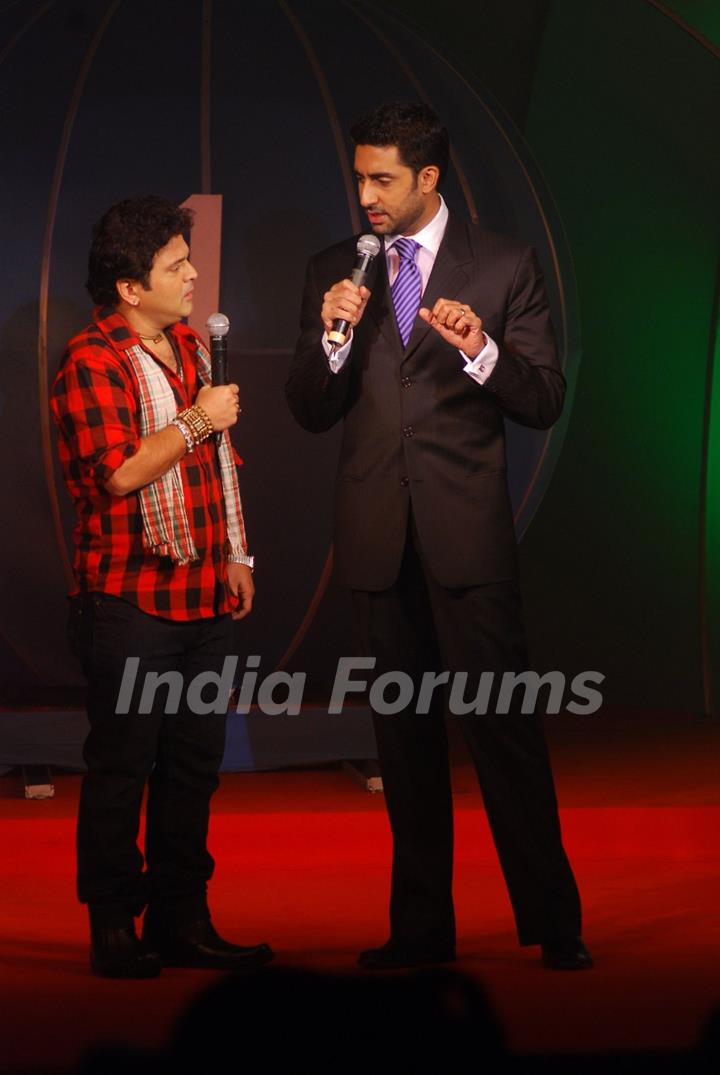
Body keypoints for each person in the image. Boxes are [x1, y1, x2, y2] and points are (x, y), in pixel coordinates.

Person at [286, 102, 591, 971]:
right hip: (377, 537)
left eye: (383, 179)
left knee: (504, 733)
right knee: (404, 743)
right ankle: (420, 930)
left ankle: (554, 920)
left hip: (467, 539)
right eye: (359, 178)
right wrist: (332, 339)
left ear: (428, 177)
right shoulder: (334, 270)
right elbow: (309, 410)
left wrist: (480, 348)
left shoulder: (503, 263)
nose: (367, 196)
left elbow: (542, 398)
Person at [51, 195, 273, 978]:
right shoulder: (91, 360)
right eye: (176, 266)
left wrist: (238, 553)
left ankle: (185, 916)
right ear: (129, 288)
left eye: (190, 260)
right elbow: (117, 474)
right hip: (128, 603)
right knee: (124, 765)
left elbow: (220, 465)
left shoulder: (188, 346)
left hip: (204, 598)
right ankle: (115, 921)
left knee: (193, 766)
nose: (193, 275)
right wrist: (197, 421)